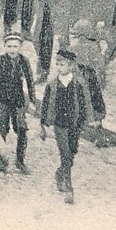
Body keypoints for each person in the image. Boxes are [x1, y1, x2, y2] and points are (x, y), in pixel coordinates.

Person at [39, 48, 94, 204]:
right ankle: (69, 188)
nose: (59, 67)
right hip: (60, 124)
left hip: (75, 124)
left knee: (72, 151)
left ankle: (60, 172)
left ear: (70, 66)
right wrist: (43, 123)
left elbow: (86, 103)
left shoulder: (78, 84)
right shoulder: (52, 84)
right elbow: (45, 104)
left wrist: (89, 120)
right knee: (65, 153)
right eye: (57, 64)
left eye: (62, 64)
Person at [0, 32, 37, 175]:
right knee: (1, 129)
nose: (12, 50)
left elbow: (30, 81)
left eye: (15, 46)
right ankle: (1, 159)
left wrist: (33, 101)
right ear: (4, 47)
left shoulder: (24, 61)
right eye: (9, 46)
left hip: (18, 101)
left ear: (20, 47)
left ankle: (20, 160)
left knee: (22, 130)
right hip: (2, 100)